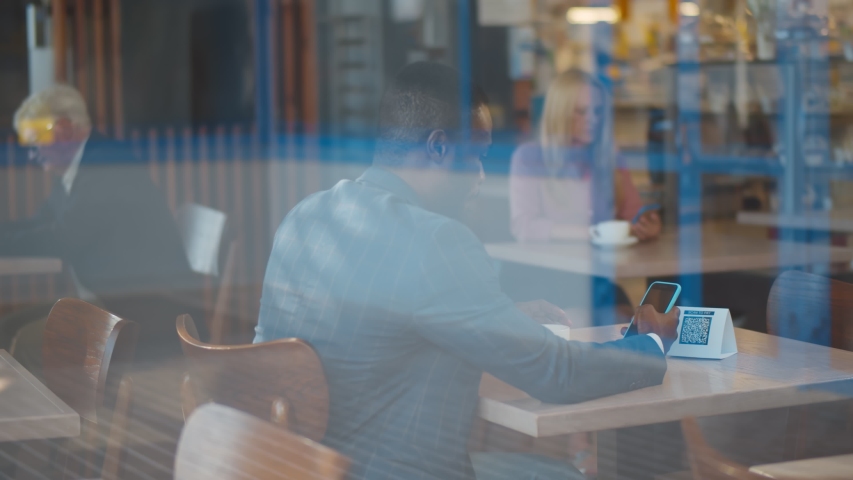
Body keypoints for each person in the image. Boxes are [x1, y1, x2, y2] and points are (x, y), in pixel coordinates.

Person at [254, 62, 680, 480]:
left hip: (303, 467)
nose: (479, 176)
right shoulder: (436, 240)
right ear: (439, 148)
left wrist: (500, 313)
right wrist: (651, 345)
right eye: (477, 155)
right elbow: (559, 375)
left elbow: (383, 325)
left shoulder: (305, 217)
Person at [0, 85, 198, 370]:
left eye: (34, 142)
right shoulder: (79, 166)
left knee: (20, 340)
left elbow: (62, 239)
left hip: (145, 313)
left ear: (64, 129)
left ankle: (62, 414)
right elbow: (41, 221)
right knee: (8, 327)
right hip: (112, 302)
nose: (30, 154)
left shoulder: (104, 166)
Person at [510, 69, 661, 243]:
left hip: (604, 265)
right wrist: (592, 233)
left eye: (597, 111)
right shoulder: (529, 157)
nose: (593, 119)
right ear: (560, 113)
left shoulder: (610, 156)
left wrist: (646, 227)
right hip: (552, 265)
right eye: (581, 111)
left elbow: (633, 217)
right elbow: (523, 226)